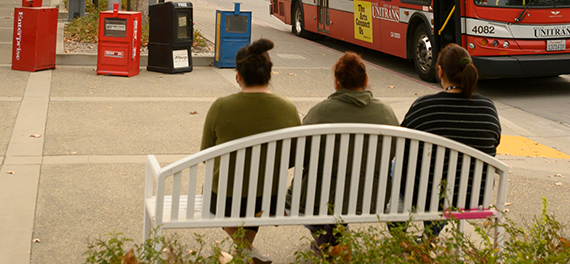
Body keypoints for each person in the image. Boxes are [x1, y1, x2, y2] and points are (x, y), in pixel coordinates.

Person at [201, 38, 300, 263]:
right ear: (269, 74)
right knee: (257, 188)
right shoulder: (288, 109)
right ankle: (246, 249)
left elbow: (206, 154)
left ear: (238, 75)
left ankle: (244, 249)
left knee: (213, 187)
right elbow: (292, 158)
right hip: (268, 199)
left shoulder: (221, 106)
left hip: (225, 199)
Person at [298, 53, 399, 258]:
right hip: (372, 198)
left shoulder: (320, 113)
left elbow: (300, 156)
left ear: (336, 82)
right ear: (366, 81)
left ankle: (328, 240)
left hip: (322, 197)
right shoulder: (385, 113)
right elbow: (393, 153)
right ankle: (334, 239)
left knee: (313, 183)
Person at [397, 44, 501, 239]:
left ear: (440, 71)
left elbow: (400, 143)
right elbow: (494, 144)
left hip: (426, 194)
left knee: (404, 167)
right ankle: (429, 237)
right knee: (446, 176)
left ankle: (401, 238)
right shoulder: (488, 108)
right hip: (475, 194)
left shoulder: (424, 106)